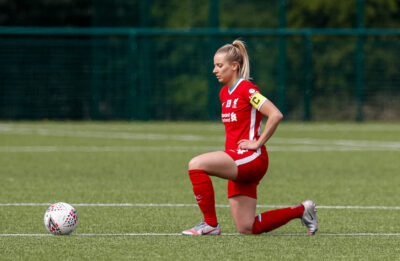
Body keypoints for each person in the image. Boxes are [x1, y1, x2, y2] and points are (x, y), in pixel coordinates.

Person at [182, 39, 318, 236]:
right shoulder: (223, 93)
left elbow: (275, 114)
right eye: (214, 66)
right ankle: (302, 210)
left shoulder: (247, 89)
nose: (214, 70)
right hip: (237, 160)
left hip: (251, 158)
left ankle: (210, 224)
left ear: (234, 66)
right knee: (247, 228)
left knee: (196, 164)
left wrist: (258, 142)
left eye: (219, 66)